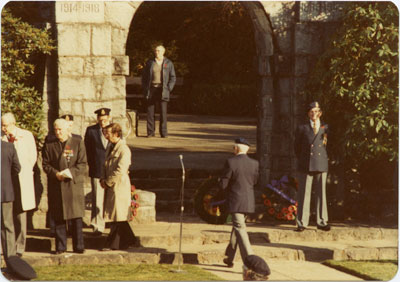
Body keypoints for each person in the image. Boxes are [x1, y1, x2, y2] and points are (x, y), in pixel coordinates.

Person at [42, 118, 87, 254]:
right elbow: (45, 164)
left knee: (76, 217)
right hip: (57, 184)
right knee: (59, 216)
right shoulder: (50, 145)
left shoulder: (77, 142)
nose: (58, 132)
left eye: (60, 129)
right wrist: (55, 173)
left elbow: (82, 164)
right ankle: (60, 246)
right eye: (55, 129)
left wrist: (70, 172)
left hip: (73, 185)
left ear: (68, 130)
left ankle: (78, 246)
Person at [1, 113, 37, 257]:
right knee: (6, 216)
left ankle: (20, 246)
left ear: (13, 123)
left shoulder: (26, 135)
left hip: (22, 178)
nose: (3, 128)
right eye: (2, 125)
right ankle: (7, 246)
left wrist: (25, 171)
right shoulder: (1, 138)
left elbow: (32, 156)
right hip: (6, 181)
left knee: (21, 214)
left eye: (6, 125)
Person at [220, 138, 258, 267]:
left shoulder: (231, 162)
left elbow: (224, 183)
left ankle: (250, 260)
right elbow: (255, 181)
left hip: (236, 200)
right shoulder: (254, 163)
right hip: (248, 201)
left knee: (240, 229)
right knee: (237, 228)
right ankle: (229, 257)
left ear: (236, 148)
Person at [294, 101, 330, 232]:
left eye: (316, 111)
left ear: (320, 113)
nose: (313, 114)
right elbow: (297, 147)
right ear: (308, 113)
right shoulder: (302, 128)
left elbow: (330, 146)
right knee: (304, 193)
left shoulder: (325, 127)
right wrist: (304, 159)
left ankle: (322, 221)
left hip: (321, 162)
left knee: (321, 193)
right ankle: (302, 222)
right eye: (311, 111)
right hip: (306, 163)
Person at [100, 123, 136, 250]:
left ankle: (114, 244)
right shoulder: (111, 146)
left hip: (119, 186)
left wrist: (108, 182)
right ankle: (131, 241)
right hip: (112, 185)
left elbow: (120, 170)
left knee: (117, 216)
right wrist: (103, 179)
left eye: (108, 133)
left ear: (116, 134)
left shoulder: (124, 149)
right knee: (118, 216)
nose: (106, 136)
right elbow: (106, 165)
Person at [84, 108, 111, 235]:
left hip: (111, 171)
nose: (103, 122)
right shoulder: (91, 131)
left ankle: (111, 223)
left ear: (109, 118)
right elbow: (87, 151)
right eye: (100, 120)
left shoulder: (114, 130)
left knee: (111, 199)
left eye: (105, 120)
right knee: (97, 199)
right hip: (97, 169)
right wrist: (91, 165)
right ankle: (97, 225)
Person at [142, 44, 176, 138]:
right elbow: (144, 77)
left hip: (163, 90)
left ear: (163, 52)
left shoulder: (168, 63)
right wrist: (145, 88)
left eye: (159, 51)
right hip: (152, 89)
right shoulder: (150, 62)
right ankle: (150, 132)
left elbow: (173, 77)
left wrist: (169, 88)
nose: (156, 52)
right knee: (150, 112)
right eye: (156, 51)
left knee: (163, 112)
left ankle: (163, 133)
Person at [1, 141, 21, 264]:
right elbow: (17, 168)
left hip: (5, 192)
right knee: (8, 225)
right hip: (5, 191)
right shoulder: (9, 146)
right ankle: (11, 258)